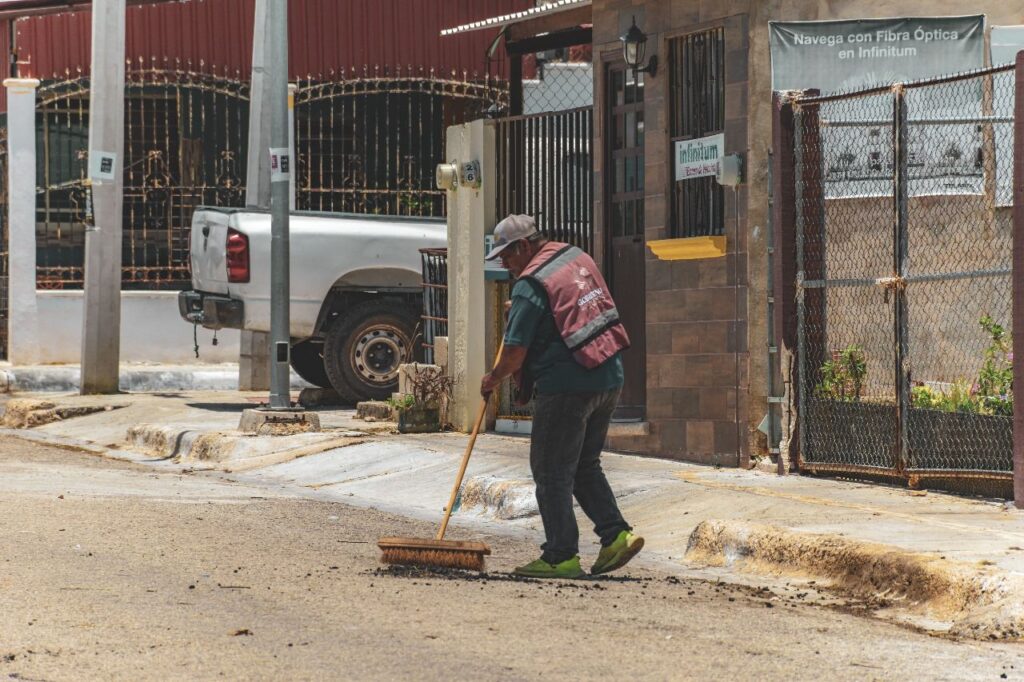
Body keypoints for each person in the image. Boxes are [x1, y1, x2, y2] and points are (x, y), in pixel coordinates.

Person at [480, 214, 644, 579]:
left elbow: (515, 352)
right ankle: (616, 536)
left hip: (567, 386)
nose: (504, 265)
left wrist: (492, 379)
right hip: (608, 377)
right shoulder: (575, 257)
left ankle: (560, 556)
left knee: (551, 471)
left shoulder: (530, 283)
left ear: (524, 246)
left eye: (506, 256)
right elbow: (566, 310)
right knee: (584, 465)